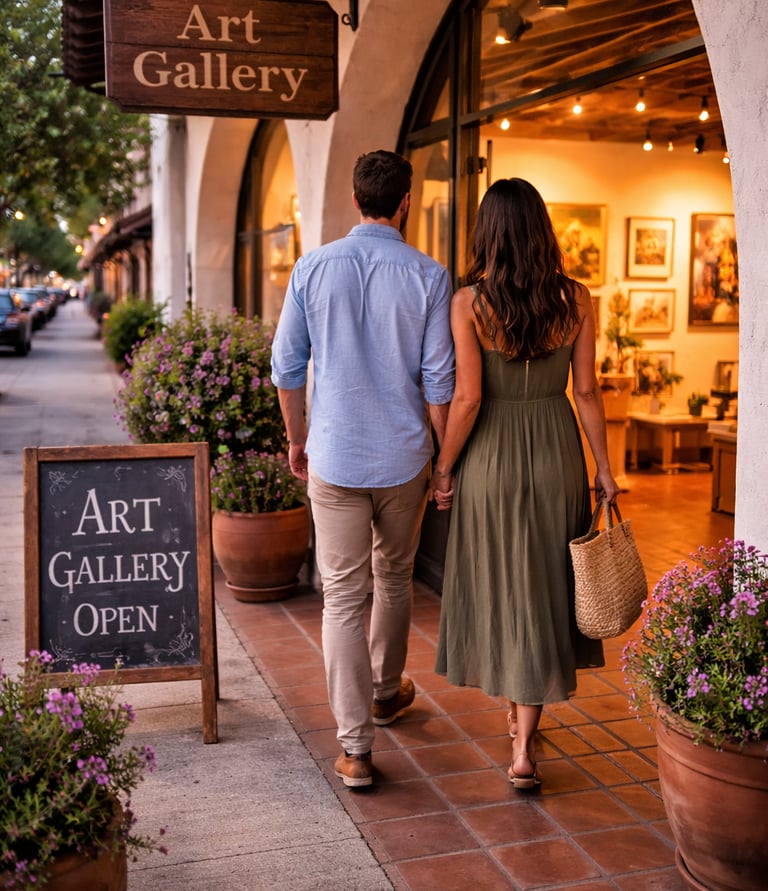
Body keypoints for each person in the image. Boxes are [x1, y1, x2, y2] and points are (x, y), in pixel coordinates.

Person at [270, 150, 455, 788]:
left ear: (356, 201)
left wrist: (297, 438)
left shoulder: (312, 267)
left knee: (343, 598)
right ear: (405, 201)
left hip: (337, 456)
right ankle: (383, 690)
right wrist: (441, 463)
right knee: (395, 578)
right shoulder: (431, 276)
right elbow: (439, 380)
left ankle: (356, 749)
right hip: (404, 458)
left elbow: (286, 368)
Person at [430, 177, 619, 790]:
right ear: (542, 229)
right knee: (541, 583)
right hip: (556, 450)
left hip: (489, 455)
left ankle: (519, 737)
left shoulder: (468, 303)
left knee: (503, 580)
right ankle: (524, 738)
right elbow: (586, 392)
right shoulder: (579, 298)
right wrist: (606, 470)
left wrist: (443, 467)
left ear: (489, 232)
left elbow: (466, 398)